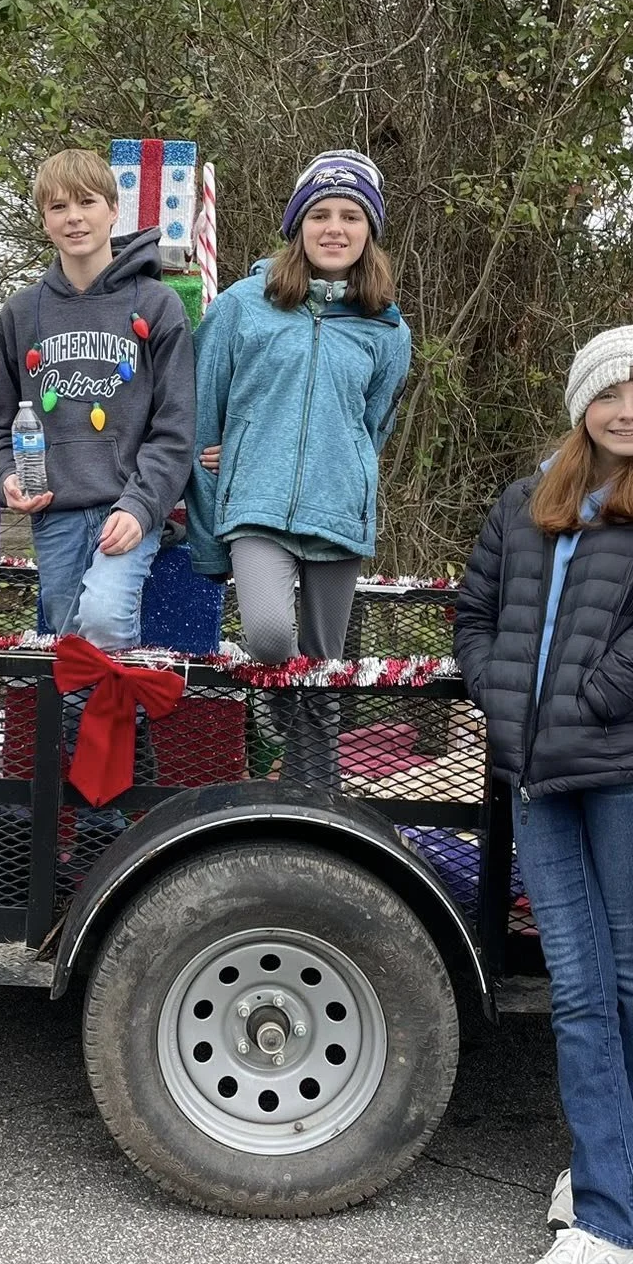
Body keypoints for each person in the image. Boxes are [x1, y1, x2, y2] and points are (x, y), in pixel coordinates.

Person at [454, 326, 633, 1264]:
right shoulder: (528, 498)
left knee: (625, 973)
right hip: (534, 776)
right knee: (577, 986)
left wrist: (589, 697)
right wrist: (498, 697)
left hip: (628, 774)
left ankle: (609, 1215)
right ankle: (615, 1172)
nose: (627, 411)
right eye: (609, 393)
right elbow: (473, 615)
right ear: (580, 404)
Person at [186, 149, 411, 787]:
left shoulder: (387, 329)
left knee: (326, 669)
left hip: (338, 513)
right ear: (297, 224)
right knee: (267, 634)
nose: (334, 228)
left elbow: (374, 425)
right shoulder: (241, 306)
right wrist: (209, 524)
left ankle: (314, 800)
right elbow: (205, 413)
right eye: (320, 214)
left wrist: (350, 470)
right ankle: (279, 721)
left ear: (369, 232)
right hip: (255, 503)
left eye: (350, 216)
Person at [0, 149, 196, 650]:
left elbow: (176, 427)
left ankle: (122, 732)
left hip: (128, 507)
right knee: (72, 648)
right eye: (58, 207)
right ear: (44, 220)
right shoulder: (20, 314)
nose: (74, 217)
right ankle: (91, 733)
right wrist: (7, 476)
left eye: (86, 202)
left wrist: (143, 507)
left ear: (113, 210)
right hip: (56, 510)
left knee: (104, 620)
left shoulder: (156, 305)